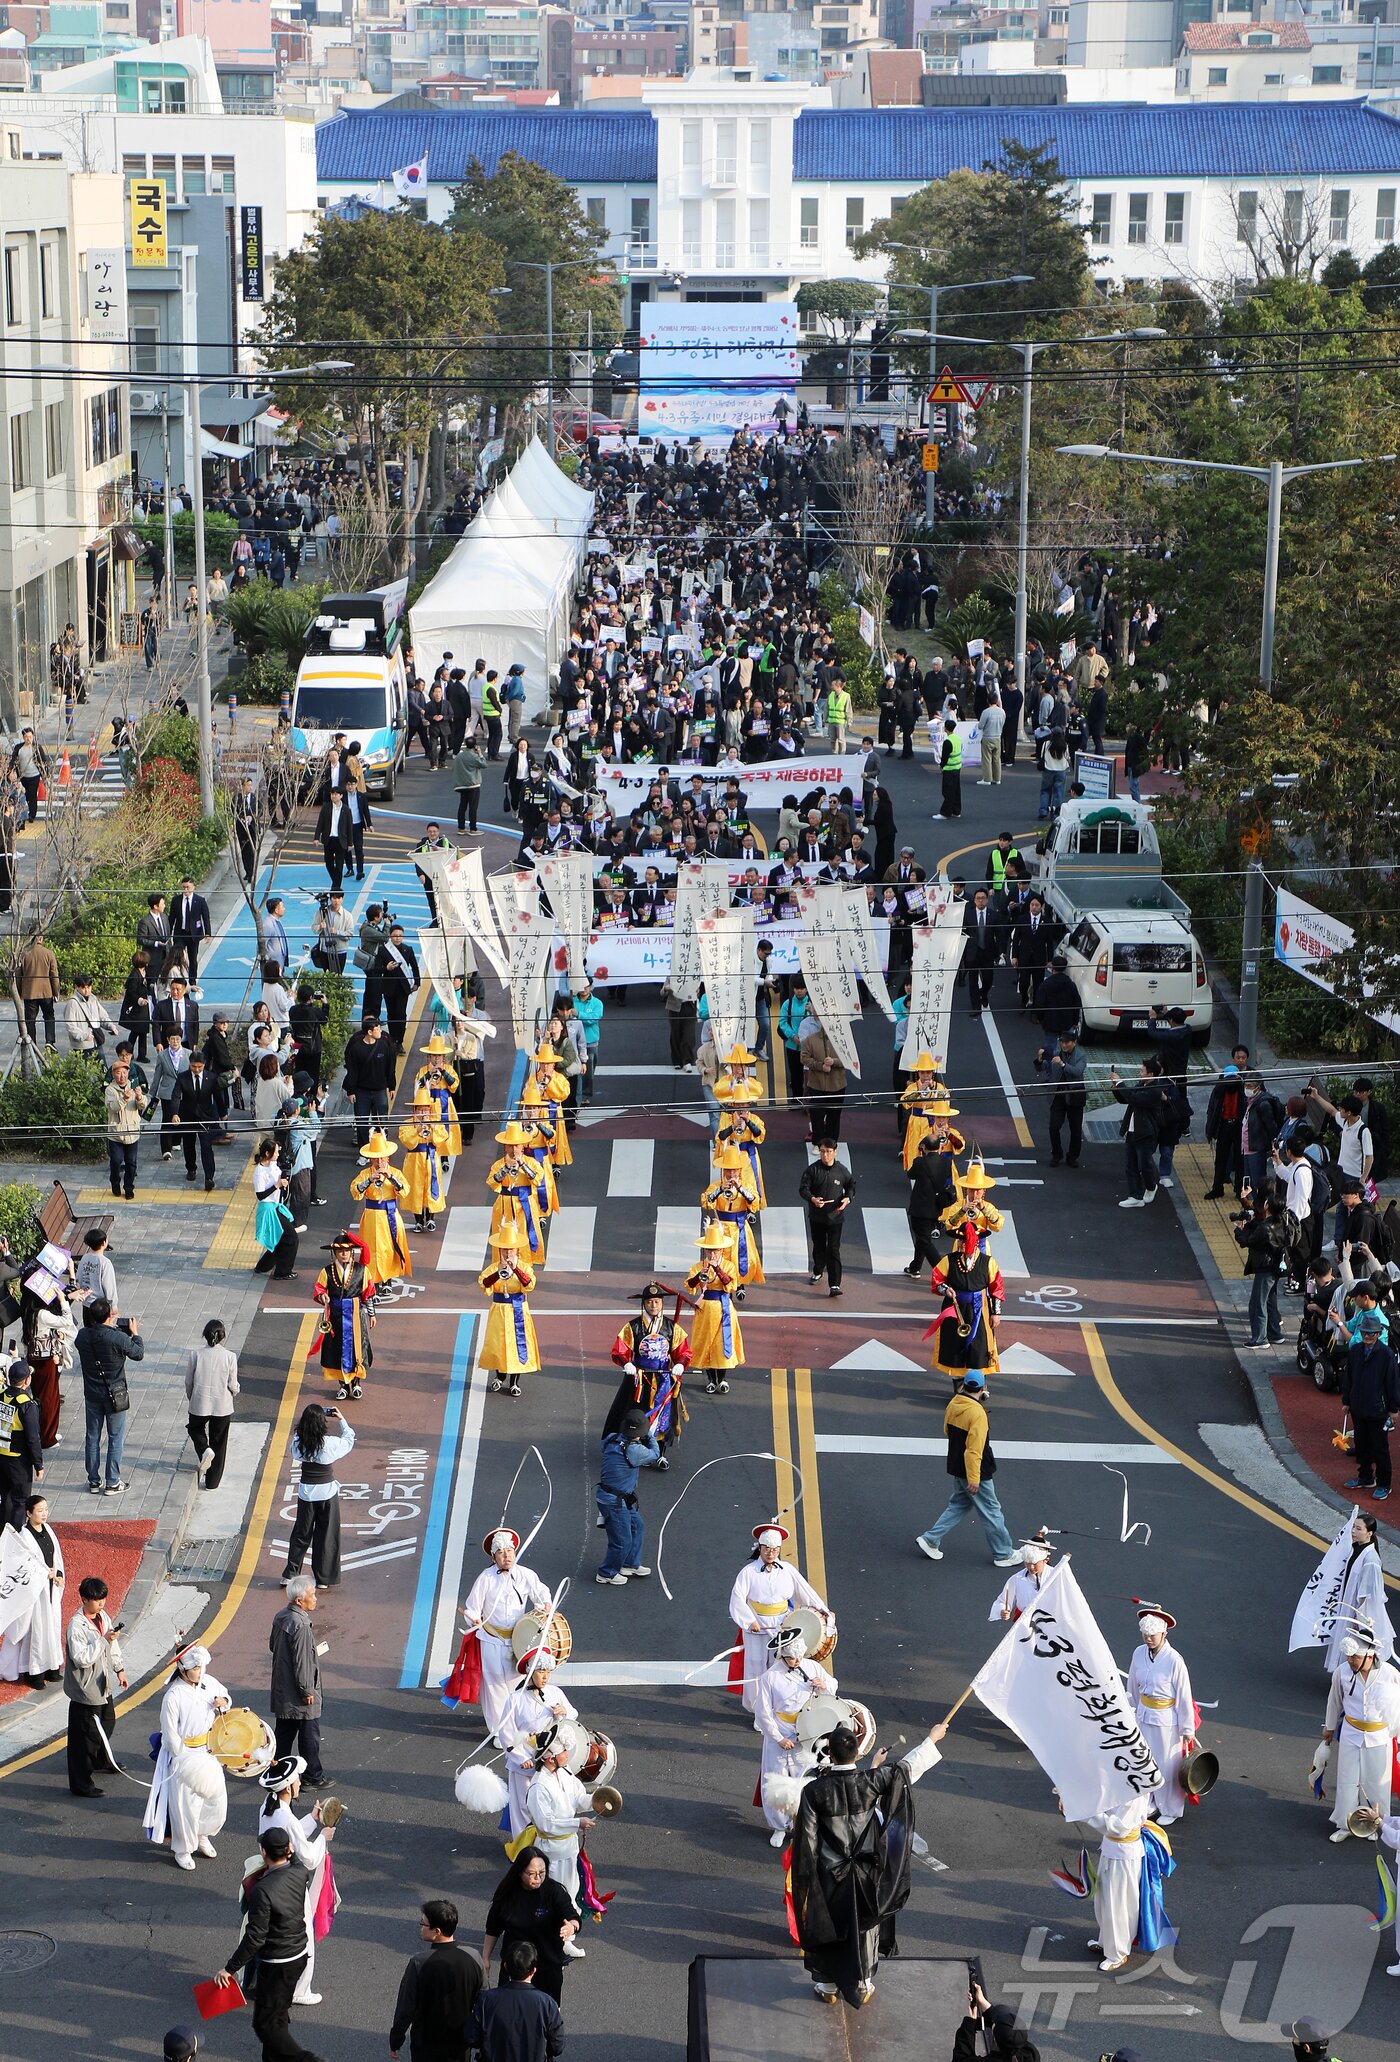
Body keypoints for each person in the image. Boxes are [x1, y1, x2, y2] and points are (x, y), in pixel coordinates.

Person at [789, 1719, 949, 2006]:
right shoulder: (870, 1781)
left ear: (831, 1755)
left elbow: (807, 1839)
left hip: (830, 1873)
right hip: (866, 1871)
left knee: (831, 1924)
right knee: (865, 1924)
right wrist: (932, 1739)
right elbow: (905, 1770)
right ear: (857, 1754)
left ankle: (828, 1986)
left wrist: (805, 1877)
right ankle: (863, 1983)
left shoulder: (814, 1791)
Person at [213, 1826, 319, 2062]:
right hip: (299, 1955)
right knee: (277, 2015)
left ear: (263, 1852)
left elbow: (255, 1937)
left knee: (264, 2025)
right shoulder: (300, 1872)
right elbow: (299, 1860)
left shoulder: (263, 1890)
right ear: (289, 1849)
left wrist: (230, 1969)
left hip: (276, 1963)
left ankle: (306, 2060)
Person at [454, 1528, 552, 1738]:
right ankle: (500, 1733)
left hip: (519, 1639)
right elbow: (472, 1607)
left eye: (509, 1550)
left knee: (519, 1682)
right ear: (493, 1556)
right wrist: (473, 1617)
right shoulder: (486, 1578)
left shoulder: (526, 1575)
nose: (506, 1555)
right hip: (492, 1640)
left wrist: (545, 1604)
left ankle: (521, 1721)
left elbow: (541, 1592)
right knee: (495, 1687)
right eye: (501, 1552)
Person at [915, 1371, 1019, 1567]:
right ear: (982, 1388)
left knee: (959, 1505)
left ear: (963, 1386)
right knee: (992, 1511)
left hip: (956, 1465)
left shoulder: (954, 1404)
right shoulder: (977, 1413)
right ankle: (1003, 1553)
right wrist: (974, 1478)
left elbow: (947, 1430)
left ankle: (930, 1539)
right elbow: (974, 1450)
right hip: (975, 1471)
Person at [141, 1643, 231, 1870]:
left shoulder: (209, 1683)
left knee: (215, 1800)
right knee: (186, 1806)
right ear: (182, 1669)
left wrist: (224, 1703)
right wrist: (183, 1760)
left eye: (202, 1666)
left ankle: (203, 1834)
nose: (201, 1671)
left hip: (208, 1750)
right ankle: (183, 1848)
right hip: (185, 1756)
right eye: (196, 1667)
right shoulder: (173, 1696)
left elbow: (226, 1697)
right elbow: (170, 1736)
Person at [727, 1521, 832, 1715]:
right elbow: (737, 1599)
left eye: (775, 1549)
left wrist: (823, 1610)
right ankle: (759, 1711)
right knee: (756, 1667)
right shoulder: (748, 1572)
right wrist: (750, 1621)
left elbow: (805, 1592)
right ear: (760, 1548)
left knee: (779, 1667)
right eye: (767, 1549)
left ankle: (779, 1706)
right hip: (757, 1626)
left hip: (783, 1627)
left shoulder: (787, 1570)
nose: (771, 1553)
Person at [258, 1753, 337, 2008]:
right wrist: (323, 1836)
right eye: (297, 1781)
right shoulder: (287, 1817)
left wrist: (312, 1819)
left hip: (266, 1877)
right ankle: (300, 1989)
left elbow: (288, 1837)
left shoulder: (268, 1806)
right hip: (289, 1884)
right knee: (304, 1934)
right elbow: (309, 1858)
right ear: (289, 1786)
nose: (300, 1784)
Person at [753, 1624, 838, 1846]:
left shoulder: (812, 1667)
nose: (797, 1661)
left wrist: (824, 1685)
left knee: (807, 1778)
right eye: (792, 1658)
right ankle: (779, 1826)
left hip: (808, 1731)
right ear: (783, 1656)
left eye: (799, 1657)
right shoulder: (770, 1677)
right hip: (781, 1731)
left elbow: (833, 1687)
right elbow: (762, 1712)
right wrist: (778, 1738)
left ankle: (804, 1823)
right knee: (778, 1780)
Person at [1320, 1631, 1400, 1841]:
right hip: (1351, 1732)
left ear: (1370, 1655)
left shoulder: (1390, 1673)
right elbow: (1334, 1700)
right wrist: (1329, 1726)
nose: (1350, 1661)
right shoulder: (1342, 1672)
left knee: (1378, 1782)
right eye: (1348, 1657)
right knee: (1348, 1779)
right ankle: (1346, 1825)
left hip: (1380, 1735)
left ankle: (1376, 1824)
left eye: (1355, 1657)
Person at [1083, 1792, 1173, 1972]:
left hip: (1124, 1854)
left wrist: (1084, 1812)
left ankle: (1118, 1953)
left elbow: (1119, 1828)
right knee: (1104, 1901)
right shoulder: (1123, 1774)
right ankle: (1107, 1942)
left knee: (1119, 1905)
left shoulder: (1136, 1785)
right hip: (1112, 1848)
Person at [496, 1648, 578, 1841]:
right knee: (524, 1807)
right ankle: (523, 1848)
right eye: (541, 1671)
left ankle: (547, 1842)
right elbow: (506, 1732)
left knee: (553, 1803)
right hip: (525, 1763)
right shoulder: (515, 1699)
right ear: (531, 1672)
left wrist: (564, 1712)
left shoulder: (556, 1693)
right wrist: (520, 1758)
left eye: (548, 1672)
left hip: (550, 1761)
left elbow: (573, 1715)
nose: (545, 1676)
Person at [606, 1281, 691, 1466]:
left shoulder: (672, 1328)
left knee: (663, 1415)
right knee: (638, 1413)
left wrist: (680, 1365)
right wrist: (627, 1363)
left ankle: (660, 1453)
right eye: (650, 1302)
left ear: (662, 1304)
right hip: (640, 1378)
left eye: (657, 1302)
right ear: (644, 1304)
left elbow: (683, 1352)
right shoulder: (633, 1327)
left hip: (664, 1378)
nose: (653, 1305)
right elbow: (620, 1350)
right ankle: (639, 1449)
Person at [482, 1850, 581, 2008]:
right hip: (515, 1967)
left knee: (546, 2016)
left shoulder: (554, 1892)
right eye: (531, 1873)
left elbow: (573, 1916)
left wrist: (571, 1926)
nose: (538, 1878)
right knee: (508, 2012)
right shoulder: (507, 1893)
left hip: (547, 1968)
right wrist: (485, 1958)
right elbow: (493, 1928)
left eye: (542, 1872)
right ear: (519, 1872)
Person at [1126, 1605, 1196, 1826]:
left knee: (1167, 1765)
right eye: (1145, 1635)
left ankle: (1171, 1807)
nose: (1148, 1639)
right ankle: (1147, 1802)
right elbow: (1132, 1685)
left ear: (1164, 1634)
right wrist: (1130, 1710)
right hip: (1144, 1714)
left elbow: (1184, 1695)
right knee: (1144, 1761)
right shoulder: (1138, 1653)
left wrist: (1187, 1729)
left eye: (1152, 1635)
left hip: (1167, 1720)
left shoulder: (1175, 1660)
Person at [391, 1898, 484, 2061]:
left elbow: (406, 2007)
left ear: (437, 1931)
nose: (420, 1928)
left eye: (423, 1924)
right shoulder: (474, 1957)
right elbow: (483, 2001)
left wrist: (396, 2039)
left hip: (426, 2044)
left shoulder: (419, 1962)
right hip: (460, 2043)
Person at [64, 1573, 126, 1797]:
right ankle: (81, 1783)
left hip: (103, 1684)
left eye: (103, 1599)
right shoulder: (76, 1627)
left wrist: (119, 1669)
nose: (101, 1603)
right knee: (85, 1738)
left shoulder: (103, 1617)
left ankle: (101, 1759)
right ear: (84, 1599)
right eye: (97, 1599)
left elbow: (113, 1647)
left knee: (107, 1722)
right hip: (85, 1690)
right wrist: (103, 1640)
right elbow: (81, 1659)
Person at [283, 1404, 356, 1588]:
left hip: (306, 1493)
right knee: (326, 1535)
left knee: (301, 1534)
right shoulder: (330, 1443)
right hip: (327, 1493)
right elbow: (348, 1440)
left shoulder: (299, 1444)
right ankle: (323, 1578)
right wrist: (341, 1420)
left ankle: (290, 1574)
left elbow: (294, 1446)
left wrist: (302, 1429)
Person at [523, 1726, 595, 1908]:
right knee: (552, 1894)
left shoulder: (565, 1773)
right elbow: (546, 1823)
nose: (567, 1753)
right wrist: (577, 1823)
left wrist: (597, 1800)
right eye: (563, 1750)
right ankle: (551, 1932)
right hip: (551, 1852)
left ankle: (567, 1932)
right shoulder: (538, 1787)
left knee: (571, 1890)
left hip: (569, 1847)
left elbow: (579, 1799)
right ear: (549, 1757)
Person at [75, 1302, 140, 1497]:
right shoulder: (118, 1338)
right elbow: (138, 1353)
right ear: (109, 1315)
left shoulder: (83, 1336)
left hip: (92, 1394)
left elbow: (91, 1336)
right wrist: (134, 1333)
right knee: (115, 1438)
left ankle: (93, 1480)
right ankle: (112, 1481)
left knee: (92, 1437)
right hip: (115, 1394)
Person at [0, 1492, 64, 1684]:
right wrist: (46, 1574)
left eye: (45, 1509)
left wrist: (58, 1575)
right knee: (36, 1630)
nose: (44, 1514)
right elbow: (25, 1565)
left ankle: (52, 1667)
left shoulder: (48, 1530)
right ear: (28, 1513)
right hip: (35, 1592)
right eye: (39, 1511)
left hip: (50, 1588)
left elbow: (56, 1556)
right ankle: (33, 1672)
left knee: (52, 1627)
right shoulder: (24, 1537)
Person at [466, 1940, 564, 2062]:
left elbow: (472, 2038)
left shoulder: (486, 2000)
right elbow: (557, 2047)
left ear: (506, 1966)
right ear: (533, 1971)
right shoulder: (547, 2004)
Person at [1321, 1512, 1394, 1674]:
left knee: (1356, 1649)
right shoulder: (1355, 1549)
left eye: (1359, 1528)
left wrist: (1358, 1618)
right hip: (1349, 1607)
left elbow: (1369, 1595)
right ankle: (1346, 1679)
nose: (1354, 1531)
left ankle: (1352, 1680)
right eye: (1353, 1527)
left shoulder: (1371, 1560)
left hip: (1358, 1613)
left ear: (1369, 1533)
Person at [596, 1406, 661, 1586]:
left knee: (636, 1526)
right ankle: (606, 1573)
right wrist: (650, 1436)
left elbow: (605, 1447)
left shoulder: (611, 1439)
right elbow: (655, 1454)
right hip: (616, 1502)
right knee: (621, 1540)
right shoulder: (635, 1450)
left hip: (613, 1497)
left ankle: (629, 1563)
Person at [270, 1574, 326, 1781]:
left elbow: (272, 1646)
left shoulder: (281, 1616)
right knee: (309, 1736)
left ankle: (277, 1771)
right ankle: (312, 1776)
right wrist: (307, 1690)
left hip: (282, 1689)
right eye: (312, 1594)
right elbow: (302, 1663)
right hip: (299, 1692)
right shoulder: (300, 1624)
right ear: (299, 1600)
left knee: (284, 1733)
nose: (315, 1598)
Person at [313, 1230, 377, 1402]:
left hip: (356, 1314)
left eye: (347, 1250)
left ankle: (356, 1383)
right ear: (334, 1253)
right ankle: (342, 1385)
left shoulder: (362, 1270)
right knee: (336, 1348)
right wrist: (323, 1297)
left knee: (358, 1348)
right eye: (340, 1251)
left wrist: (371, 1314)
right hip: (335, 1315)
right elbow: (319, 1289)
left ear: (352, 1252)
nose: (344, 1254)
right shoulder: (327, 1271)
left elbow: (368, 1293)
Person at [480, 1226, 540, 1399]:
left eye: (510, 1250)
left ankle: (514, 1382)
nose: (507, 1253)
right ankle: (499, 1376)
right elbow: (484, 1284)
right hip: (499, 1312)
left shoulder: (525, 1267)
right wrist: (498, 1274)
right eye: (504, 1250)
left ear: (516, 1250)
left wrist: (515, 1269)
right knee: (498, 1344)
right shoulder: (493, 1267)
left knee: (517, 1345)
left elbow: (529, 1284)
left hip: (518, 1310)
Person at [685, 1224, 744, 1395]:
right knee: (706, 1342)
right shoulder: (698, 1266)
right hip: (705, 1308)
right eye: (709, 1251)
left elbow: (730, 1285)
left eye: (715, 1251)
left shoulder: (728, 1266)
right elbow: (690, 1285)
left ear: (722, 1251)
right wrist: (701, 1274)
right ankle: (711, 1379)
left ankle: (722, 1378)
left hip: (723, 1307)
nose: (712, 1254)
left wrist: (717, 1268)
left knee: (722, 1343)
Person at [350, 1132, 411, 1291]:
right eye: (376, 1158)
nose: (379, 1161)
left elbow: (404, 1190)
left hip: (390, 1214)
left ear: (388, 1158)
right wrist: (370, 1180)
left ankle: (388, 1280)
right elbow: (355, 1191)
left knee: (390, 1247)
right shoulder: (365, 1174)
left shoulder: (395, 1172)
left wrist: (390, 1177)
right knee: (372, 1248)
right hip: (372, 1215)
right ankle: (373, 1283)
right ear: (371, 1159)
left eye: (382, 1157)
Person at [184, 1318, 238, 1489]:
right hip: (222, 1404)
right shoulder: (230, 1356)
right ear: (222, 1336)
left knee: (194, 1428)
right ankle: (212, 1482)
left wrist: (191, 1396)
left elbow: (188, 1382)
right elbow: (232, 1384)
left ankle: (204, 1449)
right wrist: (235, 1392)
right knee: (219, 1441)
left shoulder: (196, 1355)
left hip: (200, 1402)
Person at [799, 1137, 856, 1297]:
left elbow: (852, 1185)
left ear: (835, 1152)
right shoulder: (812, 1170)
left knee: (833, 1249)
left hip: (835, 1218)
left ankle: (835, 1285)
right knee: (818, 1246)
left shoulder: (842, 1171)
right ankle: (818, 1270)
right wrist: (812, 1199)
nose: (825, 1155)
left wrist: (848, 1198)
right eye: (823, 1151)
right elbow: (803, 1189)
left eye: (829, 1152)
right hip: (817, 1217)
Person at [1034, 1030, 1086, 1168]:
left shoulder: (1081, 1055)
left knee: (1075, 1129)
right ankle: (1057, 1153)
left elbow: (1077, 1071)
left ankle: (1073, 1156)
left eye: (1067, 1042)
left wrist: (1062, 1064)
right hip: (1058, 1095)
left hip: (1074, 1095)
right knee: (1053, 1126)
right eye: (1062, 1042)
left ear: (1074, 1042)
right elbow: (1046, 1067)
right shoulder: (1056, 1052)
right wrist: (1039, 1060)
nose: (1064, 1044)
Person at [253, 1138, 299, 1281]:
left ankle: (263, 1266)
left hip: (275, 1206)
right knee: (291, 1238)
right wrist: (277, 1185)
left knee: (280, 1237)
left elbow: (279, 1174)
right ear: (268, 1153)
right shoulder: (259, 1172)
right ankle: (283, 1271)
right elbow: (260, 1195)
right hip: (268, 1208)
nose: (278, 1154)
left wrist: (283, 1178)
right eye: (276, 1152)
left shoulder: (272, 1165)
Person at [800, 1016, 847, 1145]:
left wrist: (834, 1062)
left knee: (834, 1116)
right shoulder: (811, 1039)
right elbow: (804, 1058)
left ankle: (832, 1142)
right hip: (816, 1084)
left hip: (837, 1085)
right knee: (817, 1116)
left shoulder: (842, 1040)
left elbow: (850, 1059)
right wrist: (820, 1066)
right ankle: (817, 1142)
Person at [19, 929, 60, 1047]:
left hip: (29, 992)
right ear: (40, 938)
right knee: (49, 1015)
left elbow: (18, 974)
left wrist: (20, 991)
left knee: (30, 1020)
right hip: (46, 992)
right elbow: (54, 975)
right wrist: (56, 991)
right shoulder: (49, 953)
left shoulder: (24, 954)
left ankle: (32, 1043)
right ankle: (50, 1041)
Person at [962, 888, 999, 1017]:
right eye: (978, 898)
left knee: (988, 979)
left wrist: (1000, 952)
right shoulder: (968, 915)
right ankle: (976, 1006)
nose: (980, 900)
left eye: (983, 898)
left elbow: (999, 935)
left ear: (987, 900)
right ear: (974, 900)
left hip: (988, 952)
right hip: (972, 952)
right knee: (972, 980)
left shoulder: (993, 915)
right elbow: (963, 934)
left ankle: (983, 993)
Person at [64, 973, 117, 1055]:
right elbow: (70, 1025)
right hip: (82, 1045)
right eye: (83, 988)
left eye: (88, 987)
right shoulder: (72, 1003)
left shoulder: (93, 998)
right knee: (85, 1067)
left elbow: (102, 1016)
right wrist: (83, 1036)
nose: (86, 990)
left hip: (96, 1040)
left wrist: (111, 1026)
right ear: (77, 987)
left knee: (103, 1067)